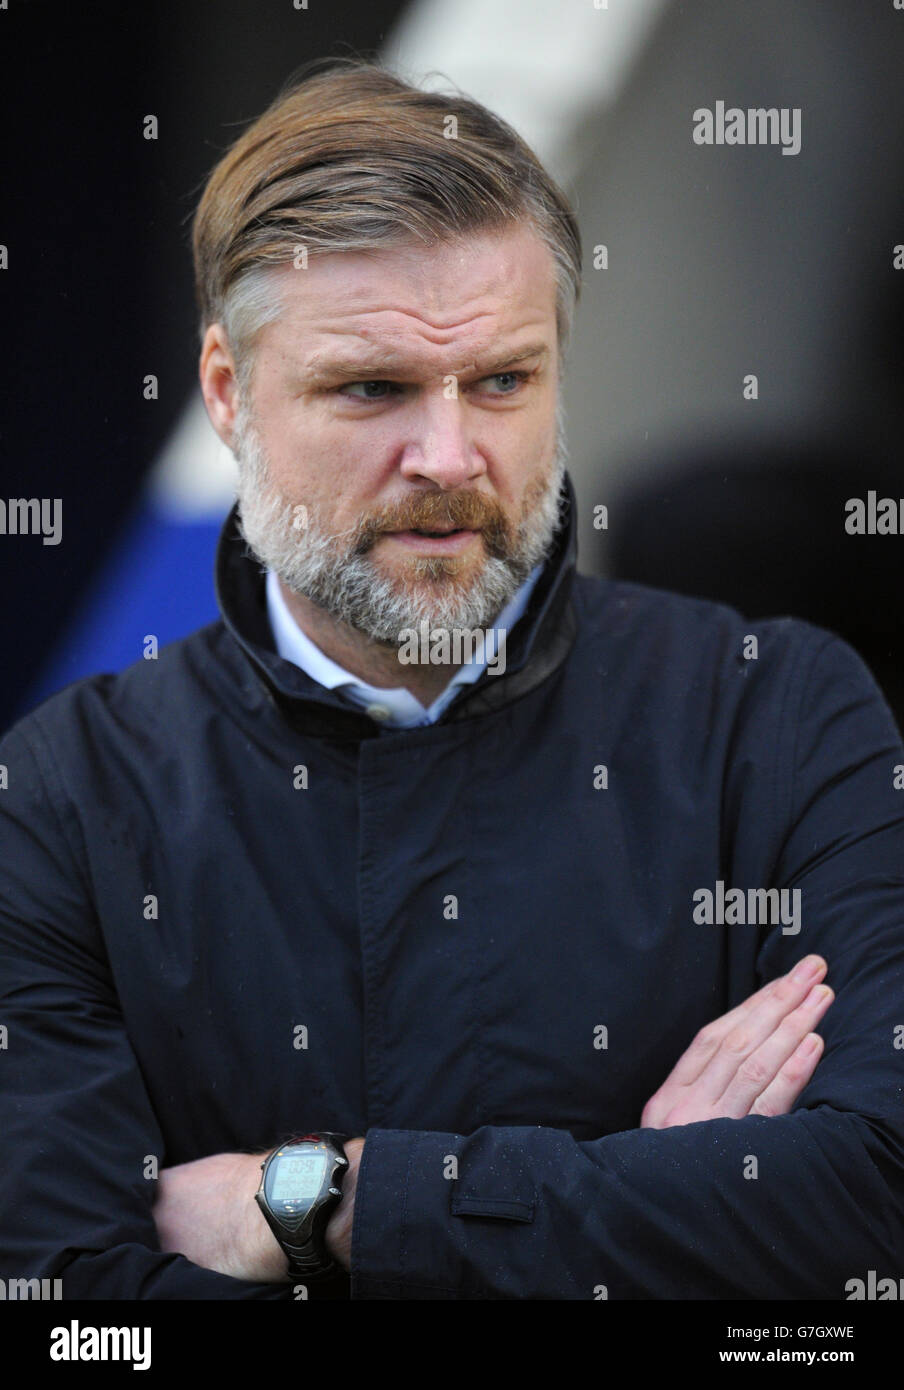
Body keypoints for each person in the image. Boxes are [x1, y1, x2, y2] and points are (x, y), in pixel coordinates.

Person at [1, 57, 902, 1301]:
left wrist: (313, 1204)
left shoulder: (779, 714)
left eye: (503, 380)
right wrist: (651, 1213)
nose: (447, 454)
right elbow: (66, 1316)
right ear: (227, 391)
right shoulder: (59, 799)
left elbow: (873, 1212)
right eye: (371, 388)